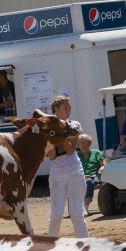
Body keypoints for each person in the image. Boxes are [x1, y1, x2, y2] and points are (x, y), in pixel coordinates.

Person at [44, 95, 87, 238]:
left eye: (69, 108)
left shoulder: (74, 125)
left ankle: (84, 246)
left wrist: (60, 134)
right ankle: (50, 246)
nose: (68, 110)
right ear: (56, 109)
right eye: (65, 108)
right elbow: (52, 156)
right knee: (55, 216)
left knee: (76, 214)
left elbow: (70, 150)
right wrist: (51, 134)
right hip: (57, 173)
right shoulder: (47, 126)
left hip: (74, 170)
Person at [76, 133, 104, 213]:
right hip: (80, 178)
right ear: (77, 145)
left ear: (89, 143)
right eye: (81, 142)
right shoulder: (76, 155)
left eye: (86, 142)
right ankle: (74, 209)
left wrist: (101, 170)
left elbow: (103, 165)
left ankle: (85, 206)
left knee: (88, 181)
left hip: (95, 177)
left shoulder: (96, 152)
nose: (84, 144)